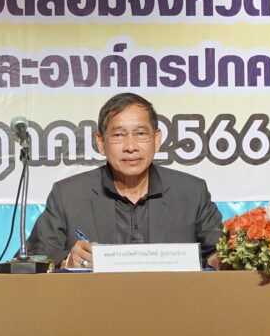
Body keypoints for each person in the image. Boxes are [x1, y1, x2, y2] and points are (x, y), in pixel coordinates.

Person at [27, 92, 223, 269]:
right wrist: (68, 260)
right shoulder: (68, 195)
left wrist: (221, 260)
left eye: (141, 134)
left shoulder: (192, 192)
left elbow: (217, 252)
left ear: (157, 139)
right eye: (119, 135)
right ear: (101, 143)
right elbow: (33, 258)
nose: (131, 147)